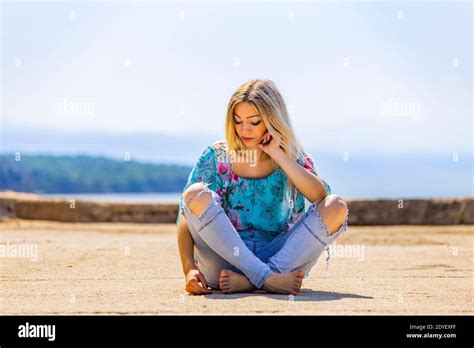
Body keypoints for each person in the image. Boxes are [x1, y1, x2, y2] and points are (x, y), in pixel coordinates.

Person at [176, 79, 349, 295]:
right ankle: (267, 279)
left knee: (336, 206)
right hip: (225, 260)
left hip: (280, 258)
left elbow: (320, 196)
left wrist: (278, 154)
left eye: (254, 122)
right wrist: (188, 270)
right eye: (238, 121)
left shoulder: (290, 155)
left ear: (273, 119)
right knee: (194, 194)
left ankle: (255, 280)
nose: (244, 129)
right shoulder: (216, 156)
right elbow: (186, 215)